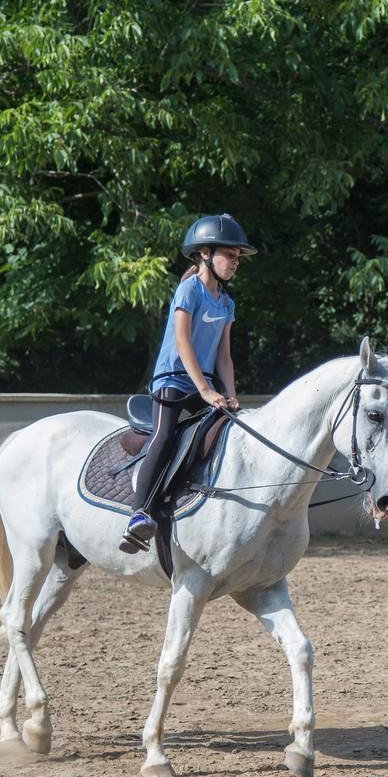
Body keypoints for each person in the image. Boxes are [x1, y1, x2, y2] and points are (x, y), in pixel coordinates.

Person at [120, 214, 255, 553]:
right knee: (165, 436)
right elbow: (183, 343)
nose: (235, 263)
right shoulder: (189, 289)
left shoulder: (226, 302)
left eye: (238, 258)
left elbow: (224, 357)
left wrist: (230, 394)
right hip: (174, 382)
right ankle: (139, 514)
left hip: (206, 385)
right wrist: (207, 391)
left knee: (227, 430)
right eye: (230, 255)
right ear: (205, 253)